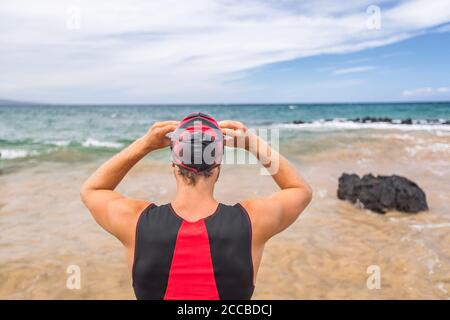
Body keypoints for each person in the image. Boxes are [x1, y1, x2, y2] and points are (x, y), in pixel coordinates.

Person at [80, 112, 312, 300]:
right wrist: (253, 144)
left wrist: (144, 145)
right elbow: (299, 190)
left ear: (174, 166)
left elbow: (92, 190)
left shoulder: (134, 221)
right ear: (218, 167)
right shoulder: (252, 221)